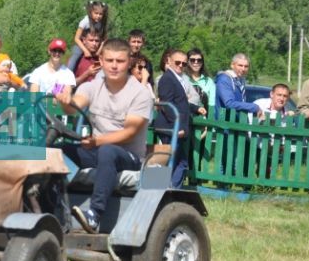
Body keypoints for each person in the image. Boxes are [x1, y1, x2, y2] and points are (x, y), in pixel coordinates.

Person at [55, 38, 153, 233]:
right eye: (109, 61)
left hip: (128, 156)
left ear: (129, 62)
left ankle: (94, 215)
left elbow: (129, 133)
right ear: (101, 59)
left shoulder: (140, 93)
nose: (114, 66)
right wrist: (65, 99)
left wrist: (97, 141)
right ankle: (52, 205)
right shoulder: (92, 86)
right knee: (58, 150)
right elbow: (73, 107)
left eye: (120, 61)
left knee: (107, 152)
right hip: (98, 150)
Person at [153, 49, 194, 187]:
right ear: (169, 61)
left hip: (172, 128)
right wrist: (179, 127)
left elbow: (180, 102)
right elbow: (167, 105)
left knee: (175, 162)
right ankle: (159, 188)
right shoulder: (167, 79)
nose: (181, 66)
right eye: (178, 62)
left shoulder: (176, 79)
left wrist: (195, 108)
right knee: (167, 161)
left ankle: (164, 189)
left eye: (184, 64)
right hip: (170, 128)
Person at [215, 53, 262, 118]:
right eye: (240, 65)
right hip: (224, 123)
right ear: (232, 65)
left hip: (236, 123)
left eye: (246, 66)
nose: (243, 69)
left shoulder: (240, 80)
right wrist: (254, 107)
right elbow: (229, 103)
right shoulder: (224, 79)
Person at [67, 0, 109, 72]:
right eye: (96, 13)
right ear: (91, 12)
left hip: (96, 44)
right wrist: (85, 50)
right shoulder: (85, 21)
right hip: (81, 44)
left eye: (100, 14)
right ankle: (68, 74)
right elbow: (76, 38)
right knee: (75, 56)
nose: (98, 16)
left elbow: (105, 39)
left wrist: (99, 51)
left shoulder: (101, 23)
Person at [181, 48, 214, 115]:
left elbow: (212, 103)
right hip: (184, 116)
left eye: (199, 60)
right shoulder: (182, 78)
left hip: (203, 117)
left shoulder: (209, 81)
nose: (196, 62)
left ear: (202, 62)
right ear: (187, 61)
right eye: (192, 60)